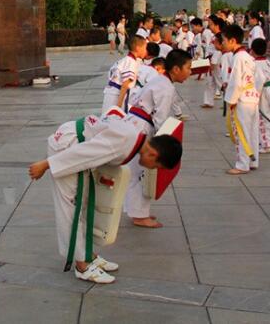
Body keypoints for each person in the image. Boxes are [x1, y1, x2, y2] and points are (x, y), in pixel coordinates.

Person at [28, 111, 183, 283]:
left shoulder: (133, 133)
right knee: (72, 208)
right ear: (153, 155)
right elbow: (84, 153)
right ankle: (82, 265)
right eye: (155, 166)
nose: (152, 169)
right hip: (69, 148)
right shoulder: (124, 142)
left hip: (73, 142)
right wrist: (46, 164)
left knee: (83, 204)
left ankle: (88, 255)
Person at [123, 49, 193, 228]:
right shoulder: (165, 86)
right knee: (142, 171)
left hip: (137, 124)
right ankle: (139, 215)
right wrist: (164, 145)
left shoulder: (161, 81)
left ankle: (136, 211)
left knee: (136, 172)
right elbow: (161, 119)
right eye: (188, 68)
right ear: (176, 69)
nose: (190, 72)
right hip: (141, 127)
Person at [223, 24, 260, 175]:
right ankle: (253, 159)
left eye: (224, 40)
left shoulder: (238, 57)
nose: (223, 43)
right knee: (252, 131)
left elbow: (236, 82)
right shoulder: (248, 57)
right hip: (252, 97)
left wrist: (231, 100)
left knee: (242, 132)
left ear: (232, 40)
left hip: (243, 99)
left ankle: (242, 164)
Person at [102, 35, 146, 113]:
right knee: (115, 120)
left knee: (107, 119)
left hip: (109, 93)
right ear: (138, 48)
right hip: (116, 97)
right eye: (145, 48)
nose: (146, 51)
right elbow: (125, 85)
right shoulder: (131, 62)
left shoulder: (124, 60)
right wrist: (118, 106)